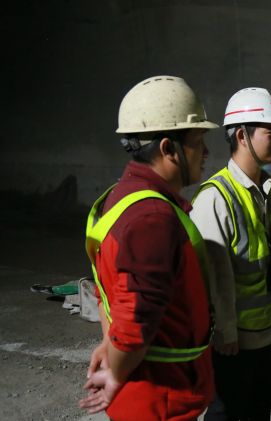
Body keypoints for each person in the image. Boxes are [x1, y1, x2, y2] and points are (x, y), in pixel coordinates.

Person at [79, 75, 218, 420]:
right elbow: (134, 319)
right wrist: (116, 372)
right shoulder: (151, 218)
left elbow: (108, 291)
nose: (206, 152)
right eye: (198, 141)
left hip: (153, 393)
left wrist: (109, 346)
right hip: (159, 399)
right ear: (169, 148)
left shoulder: (122, 197)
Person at [191, 87, 271, 421]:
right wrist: (225, 334)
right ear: (241, 136)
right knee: (228, 414)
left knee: (259, 411)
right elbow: (213, 278)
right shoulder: (215, 198)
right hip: (236, 345)